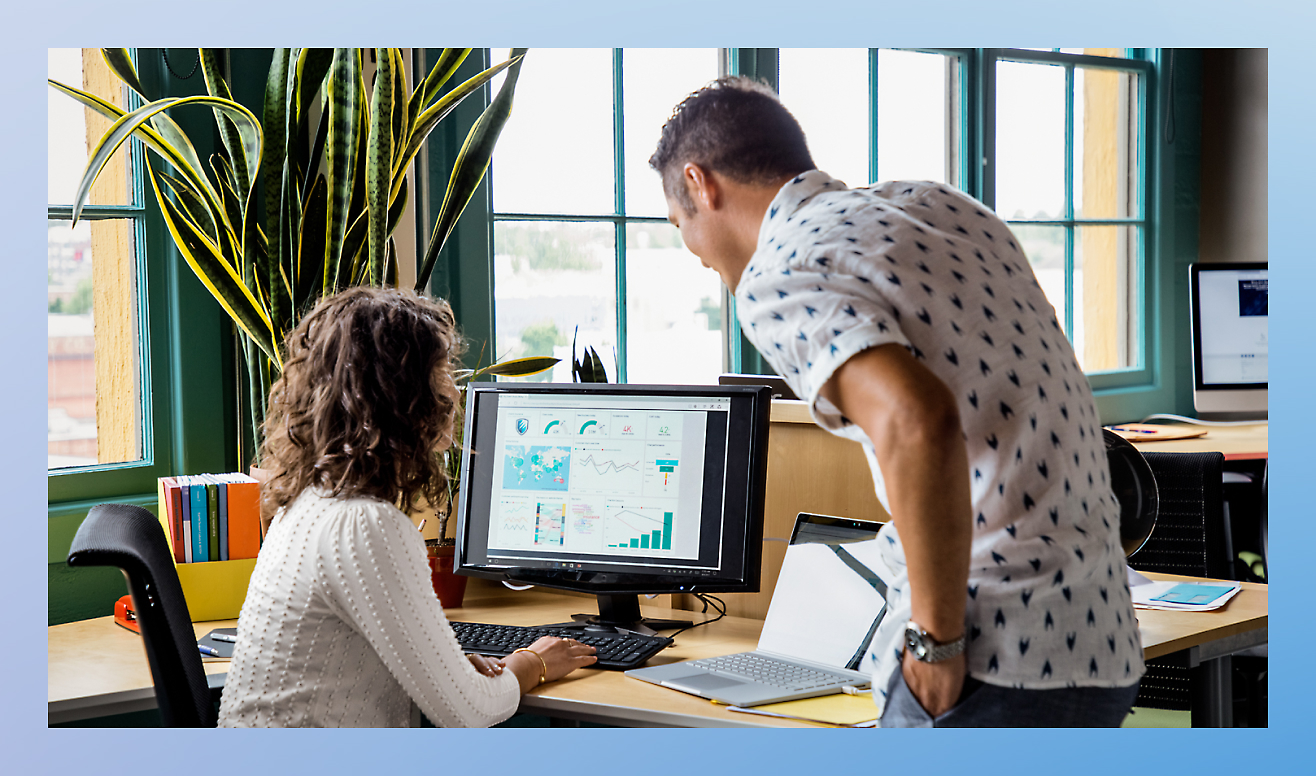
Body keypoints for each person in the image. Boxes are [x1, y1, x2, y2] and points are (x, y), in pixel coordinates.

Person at [650, 77, 1144, 727]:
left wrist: (934, 648)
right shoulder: (940, 208)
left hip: (989, 658)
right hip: (1100, 637)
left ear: (700, 185)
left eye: (679, 222)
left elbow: (917, 420)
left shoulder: (779, 270)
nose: (695, 254)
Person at [217, 287, 597, 727]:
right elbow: (470, 711)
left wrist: (448, 668)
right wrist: (533, 662)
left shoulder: (307, 503)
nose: (453, 393)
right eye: (440, 374)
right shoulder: (364, 525)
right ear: (400, 396)